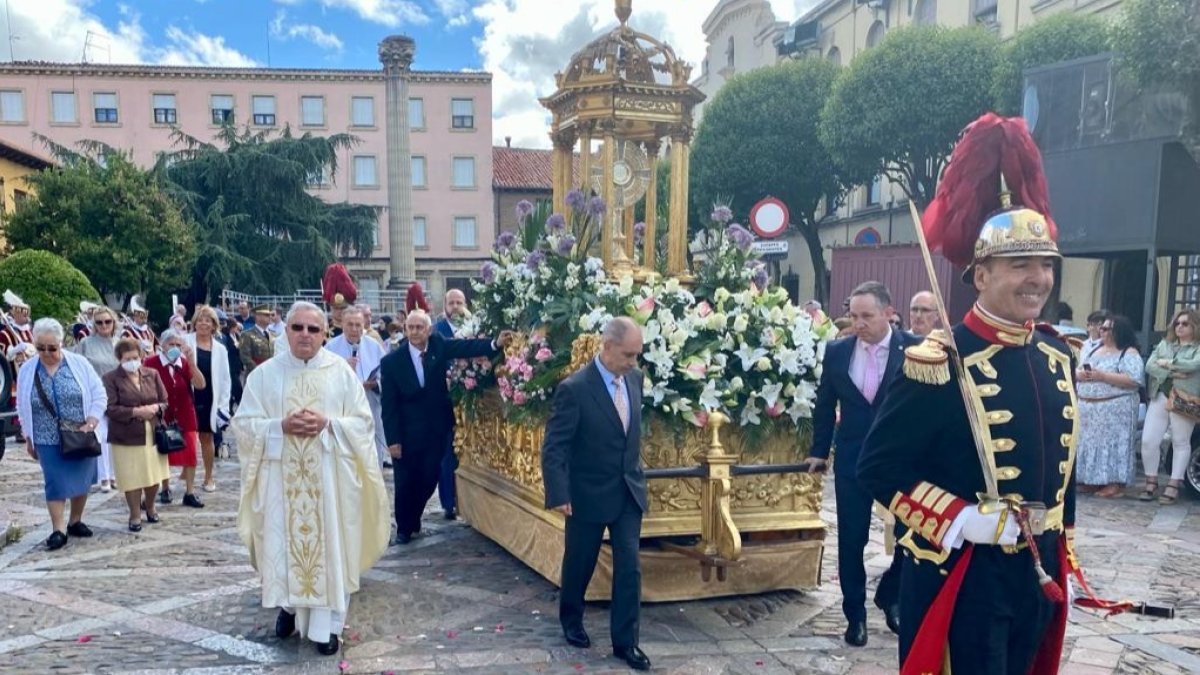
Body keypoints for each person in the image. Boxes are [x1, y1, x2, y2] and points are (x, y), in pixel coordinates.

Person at [858, 113, 1081, 674]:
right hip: (965, 574)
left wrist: (1063, 544)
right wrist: (960, 517)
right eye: (1019, 264)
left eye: (1045, 265)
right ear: (981, 275)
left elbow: (1063, 471)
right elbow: (879, 468)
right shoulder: (939, 360)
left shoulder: (1056, 356)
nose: (1037, 278)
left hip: (1037, 571)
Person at [231, 301, 390, 656]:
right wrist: (280, 426)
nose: (305, 334)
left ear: (324, 334)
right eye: (298, 327)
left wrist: (328, 425)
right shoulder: (264, 376)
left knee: (329, 551)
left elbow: (363, 424)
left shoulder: (341, 373)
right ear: (286, 331)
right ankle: (288, 607)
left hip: (331, 484)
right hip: (280, 483)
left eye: (313, 329)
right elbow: (243, 426)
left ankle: (327, 626)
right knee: (284, 546)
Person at [801, 281, 912, 646]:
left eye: (867, 316)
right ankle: (855, 616)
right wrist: (820, 450)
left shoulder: (913, 350)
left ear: (889, 313)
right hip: (853, 458)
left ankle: (892, 596)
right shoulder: (837, 351)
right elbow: (824, 404)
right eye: (853, 316)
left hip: (901, 460)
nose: (858, 324)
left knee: (910, 536)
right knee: (851, 539)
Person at [541, 317, 651, 671]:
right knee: (580, 562)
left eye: (637, 354)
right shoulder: (574, 389)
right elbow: (555, 446)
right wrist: (559, 492)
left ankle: (626, 643)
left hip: (628, 491)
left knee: (629, 567)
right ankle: (571, 618)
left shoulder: (635, 379)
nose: (633, 361)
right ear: (607, 347)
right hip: (586, 493)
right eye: (628, 354)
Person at [379, 310, 507, 544]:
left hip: (435, 429)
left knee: (429, 478)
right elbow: (388, 406)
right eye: (411, 327)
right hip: (406, 433)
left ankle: (413, 516)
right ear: (405, 330)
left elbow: (464, 347)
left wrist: (494, 344)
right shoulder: (391, 362)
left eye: (420, 327)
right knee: (405, 481)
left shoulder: (438, 346)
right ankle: (404, 528)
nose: (415, 332)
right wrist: (393, 440)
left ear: (428, 330)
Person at [16, 318, 106, 551]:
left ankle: (75, 520)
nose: (46, 353)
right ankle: (58, 529)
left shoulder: (79, 364)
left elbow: (99, 394)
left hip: (79, 433)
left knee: (82, 480)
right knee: (54, 482)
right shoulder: (28, 369)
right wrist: (28, 435)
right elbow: (22, 405)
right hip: (45, 436)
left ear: (61, 344)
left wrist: (92, 421)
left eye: (52, 348)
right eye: (41, 348)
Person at [103, 338, 170, 532]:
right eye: (127, 359)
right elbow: (110, 408)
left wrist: (155, 408)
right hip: (126, 435)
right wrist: (135, 412)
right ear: (119, 359)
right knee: (132, 477)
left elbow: (164, 400)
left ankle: (150, 506)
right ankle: (134, 514)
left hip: (153, 432)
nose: (132, 362)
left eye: (135, 357)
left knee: (153, 475)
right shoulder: (110, 378)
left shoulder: (152, 374)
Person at [1075, 315, 1143, 497]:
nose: (1101, 331)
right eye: (1101, 328)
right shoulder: (1094, 349)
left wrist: (1103, 376)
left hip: (1115, 408)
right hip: (1089, 407)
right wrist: (1080, 375)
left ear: (1117, 332)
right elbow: (1079, 369)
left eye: (1106, 329)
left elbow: (1134, 379)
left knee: (1112, 445)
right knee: (1089, 443)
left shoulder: (1128, 352)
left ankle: (1114, 482)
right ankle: (1090, 480)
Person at [1139, 308, 1200, 505]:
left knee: (1180, 441)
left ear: (1194, 326)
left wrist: (1167, 363)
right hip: (1161, 394)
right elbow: (1150, 365)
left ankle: (1174, 483)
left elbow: (1194, 365)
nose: (1179, 327)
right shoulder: (1165, 344)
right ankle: (1151, 480)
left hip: (1184, 398)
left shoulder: (1197, 348)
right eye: (1177, 323)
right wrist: (1174, 371)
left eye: (1185, 324)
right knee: (1148, 440)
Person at [146, 329, 207, 508]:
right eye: (171, 344)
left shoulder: (185, 363)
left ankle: (190, 492)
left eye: (178, 345)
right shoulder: (151, 363)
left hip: (185, 413)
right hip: (163, 415)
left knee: (190, 453)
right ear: (162, 345)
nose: (174, 348)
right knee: (163, 452)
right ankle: (165, 488)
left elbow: (201, 384)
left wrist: (192, 363)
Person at [325, 307, 389, 469]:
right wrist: (342, 368)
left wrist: (374, 384)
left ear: (364, 325)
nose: (354, 329)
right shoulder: (330, 348)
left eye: (358, 325)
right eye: (350, 324)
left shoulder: (374, 346)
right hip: (342, 410)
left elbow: (387, 377)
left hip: (370, 405)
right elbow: (323, 380)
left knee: (373, 456)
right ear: (342, 324)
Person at [432, 289, 472, 520]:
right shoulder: (437, 331)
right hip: (445, 401)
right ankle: (449, 501)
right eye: (451, 303)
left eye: (459, 302)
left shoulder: (473, 327)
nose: (456, 307)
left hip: (470, 398)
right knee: (448, 452)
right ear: (445, 306)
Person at [184, 306, 232, 492]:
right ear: (195, 323)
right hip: (188, 396)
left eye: (208, 320)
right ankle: (187, 476)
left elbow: (225, 379)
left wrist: (224, 406)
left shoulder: (220, 349)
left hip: (211, 397)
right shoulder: (185, 342)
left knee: (207, 437)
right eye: (200, 320)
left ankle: (209, 476)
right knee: (187, 437)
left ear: (214, 325)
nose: (203, 323)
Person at [75, 306, 122, 492]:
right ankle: (104, 477)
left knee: (114, 436)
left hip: (117, 394)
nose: (104, 325)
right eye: (99, 322)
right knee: (100, 435)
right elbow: (77, 367)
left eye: (107, 321)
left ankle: (114, 474)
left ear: (113, 323)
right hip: (94, 394)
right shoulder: (86, 343)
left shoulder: (119, 343)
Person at [239, 305, 275, 377]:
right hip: (255, 374)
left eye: (271, 315)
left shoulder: (272, 334)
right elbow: (245, 357)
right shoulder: (247, 334)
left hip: (270, 373)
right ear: (258, 316)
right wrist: (259, 370)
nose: (270, 317)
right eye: (266, 315)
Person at [1, 290, 33, 360]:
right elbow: (3, 358)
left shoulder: (29, 331)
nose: (28, 318)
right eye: (25, 315)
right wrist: (14, 350)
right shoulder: (4, 334)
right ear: (15, 314)